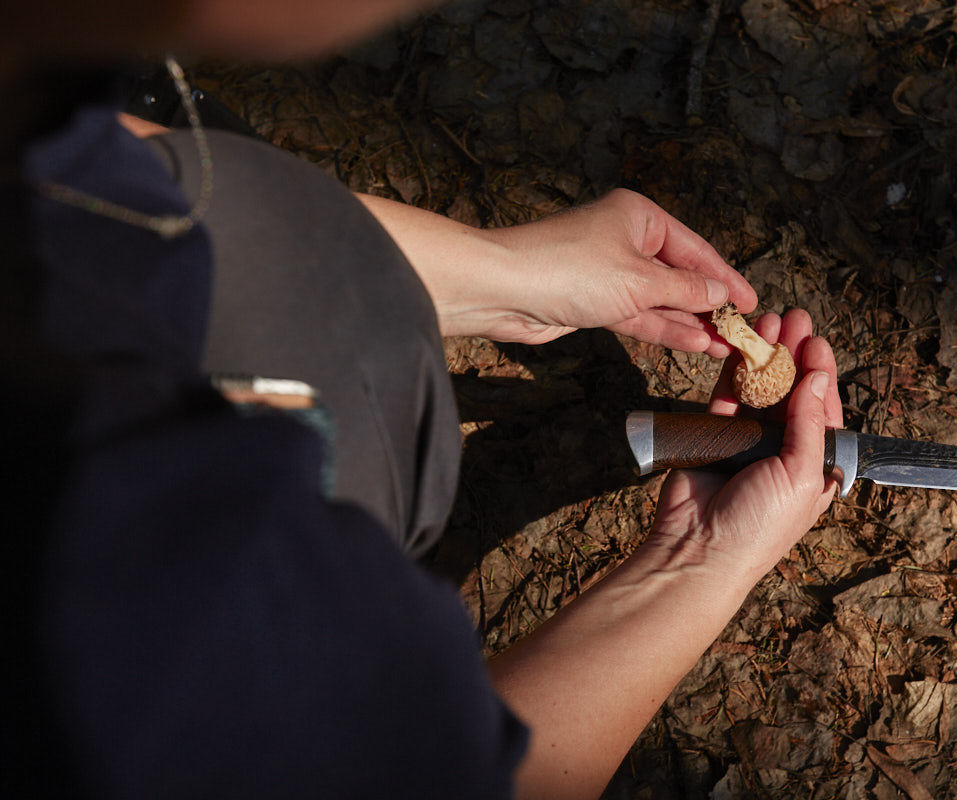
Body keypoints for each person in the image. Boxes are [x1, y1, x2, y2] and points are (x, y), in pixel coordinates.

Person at [1, 1, 844, 798]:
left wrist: (506, 279)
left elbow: (121, 183)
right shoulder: (155, 597)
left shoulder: (36, 120)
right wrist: (701, 559)